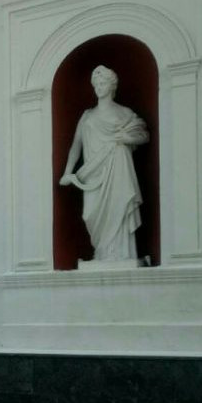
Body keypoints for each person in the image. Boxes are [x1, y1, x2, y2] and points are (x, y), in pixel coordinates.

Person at [59, 65, 149, 262]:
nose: (98, 87)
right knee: (89, 214)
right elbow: (76, 145)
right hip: (92, 174)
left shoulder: (124, 113)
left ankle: (121, 255)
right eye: (96, 84)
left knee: (119, 205)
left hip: (118, 168)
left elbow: (143, 135)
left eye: (102, 83)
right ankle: (101, 253)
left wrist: (125, 138)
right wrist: (67, 172)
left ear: (112, 85)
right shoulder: (88, 116)